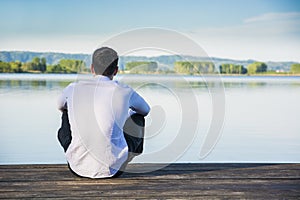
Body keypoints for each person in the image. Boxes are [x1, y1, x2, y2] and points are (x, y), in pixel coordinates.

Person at [57, 47, 150, 178]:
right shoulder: (125, 91)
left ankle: (78, 153)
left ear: (92, 68)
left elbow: (59, 106)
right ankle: (124, 157)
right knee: (138, 117)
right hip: (113, 170)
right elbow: (145, 110)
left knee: (66, 112)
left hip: (77, 168)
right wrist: (124, 114)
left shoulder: (73, 88)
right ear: (116, 70)